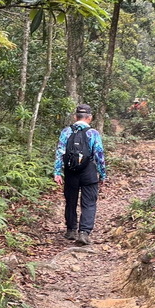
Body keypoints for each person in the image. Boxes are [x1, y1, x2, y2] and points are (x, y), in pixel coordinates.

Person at [53, 103, 107, 246]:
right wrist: (102, 174)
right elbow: (99, 155)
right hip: (88, 172)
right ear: (90, 118)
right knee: (89, 203)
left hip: (70, 172)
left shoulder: (66, 131)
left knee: (70, 201)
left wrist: (57, 172)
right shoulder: (93, 133)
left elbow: (60, 152)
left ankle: (71, 230)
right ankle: (84, 232)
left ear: (75, 117)